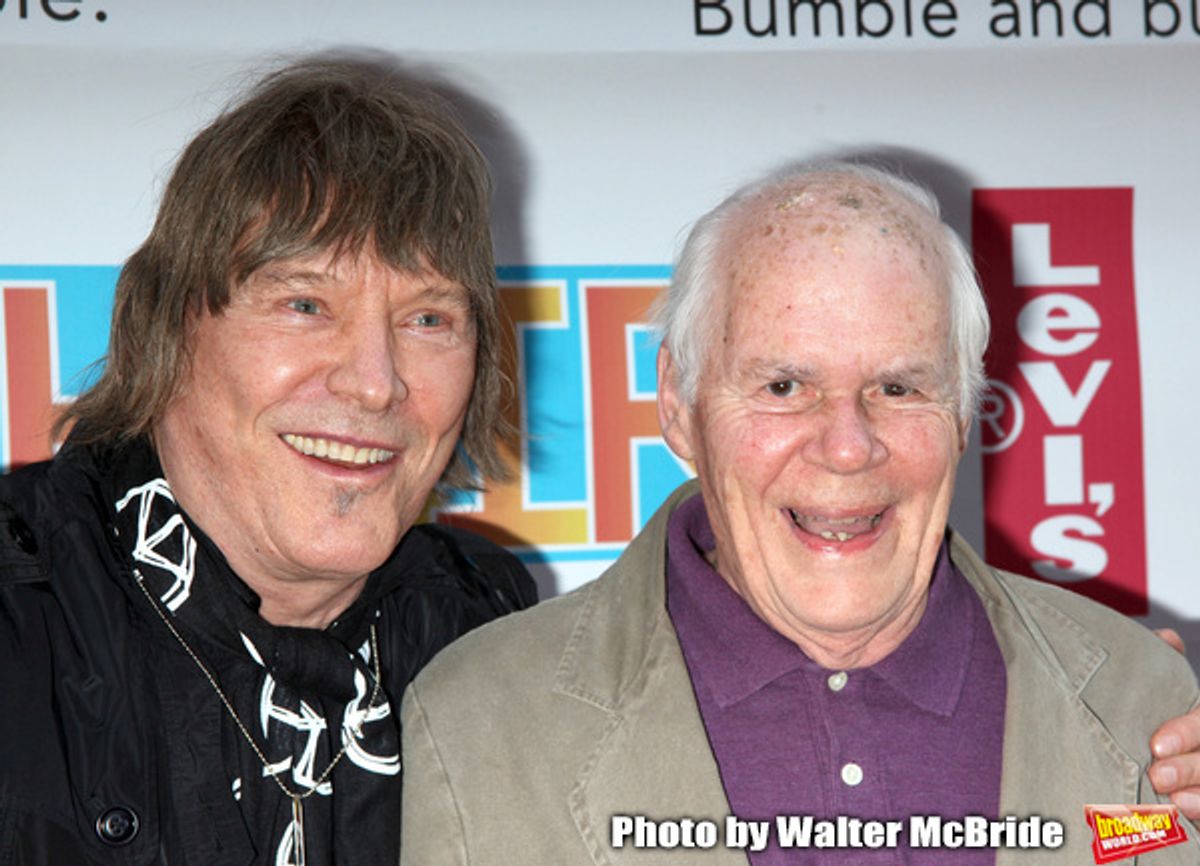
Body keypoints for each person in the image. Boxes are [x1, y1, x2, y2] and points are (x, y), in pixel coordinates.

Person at [399, 163, 1200, 864]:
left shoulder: (1141, 698)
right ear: (678, 401)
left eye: (898, 387)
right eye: (784, 387)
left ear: (962, 409)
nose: (848, 448)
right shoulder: (481, 722)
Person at [0, 57, 535, 865]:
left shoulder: (499, 642)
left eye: (428, 319)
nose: (373, 383)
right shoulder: (18, 626)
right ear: (169, 330)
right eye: (304, 304)